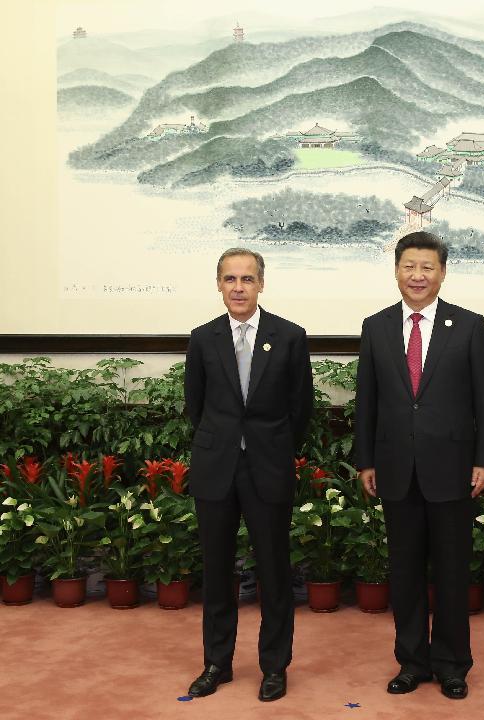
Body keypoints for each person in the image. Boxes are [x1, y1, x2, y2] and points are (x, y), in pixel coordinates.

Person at [354, 231, 484, 700]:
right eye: (409, 266)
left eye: (427, 267)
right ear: (396, 270)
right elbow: (367, 403)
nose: (418, 275)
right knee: (405, 572)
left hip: (454, 469)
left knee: (453, 573)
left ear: (442, 272)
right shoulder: (375, 327)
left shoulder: (470, 325)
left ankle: (453, 664)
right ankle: (412, 661)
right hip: (396, 468)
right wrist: (366, 461)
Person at [183, 248, 313, 702]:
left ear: (261, 284)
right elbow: (195, 406)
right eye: (230, 279)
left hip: (268, 467)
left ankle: (274, 667)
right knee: (217, 573)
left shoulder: (290, 336)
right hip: (216, 470)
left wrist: (271, 448)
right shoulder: (203, 338)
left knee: (275, 573)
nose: (238, 287)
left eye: (247, 279)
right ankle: (216, 663)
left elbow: (301, 409)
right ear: (218, 284)